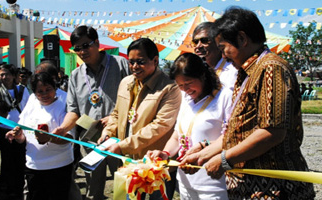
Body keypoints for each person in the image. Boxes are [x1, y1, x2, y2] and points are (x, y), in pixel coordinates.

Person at [180, 7, 315, 199]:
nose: (223, 56)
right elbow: (240, 130)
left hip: (275, 188)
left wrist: (225, 160)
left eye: (223, 48)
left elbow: (272, 132)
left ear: (242, 39)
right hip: (249, 187)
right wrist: (203, 152)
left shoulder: (271, 68)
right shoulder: (246, 73)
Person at [52, 25, 130, 200]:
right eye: (77, 48)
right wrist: (63, 129)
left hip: (120, 138)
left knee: (124, 189)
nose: (82, 51)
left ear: (97, 43)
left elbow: (136, 99)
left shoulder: (121, 65)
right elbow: (73, 111)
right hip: (90, 141)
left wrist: (115, 117)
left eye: (86, 45)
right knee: (92, 192)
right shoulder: (75, 75)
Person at [98, 38, 182, 199]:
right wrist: (107, 133)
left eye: (140, 62)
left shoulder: (170, 87)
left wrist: (123, 145)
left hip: (156, 166)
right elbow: (116, 114)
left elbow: (161, 125)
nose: (134, 66)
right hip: (129, 162)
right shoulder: (126, 82)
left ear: (155, 60)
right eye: (131, 62)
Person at [147, 53, 231, 199]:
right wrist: (166, 153)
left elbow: (231, 136)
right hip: (186, 183)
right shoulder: (186, 99)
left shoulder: (225, 97)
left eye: (188, 83)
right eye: (180, 85)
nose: (185, 89)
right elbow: (177, 136)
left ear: (202, 75)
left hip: (213, 184)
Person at [5, 72, 74, 200]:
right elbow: (23, 137)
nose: (44, 95)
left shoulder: (64, 106)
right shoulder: (32, 102)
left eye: (48, 90)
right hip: (34, 166)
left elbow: (69, 138)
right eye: (40, 91)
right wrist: (17, 135)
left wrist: (49, 138)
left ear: (55, 89)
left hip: (59, 166)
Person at [0, 63, 30, 199]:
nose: (4, 77)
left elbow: (28, 110)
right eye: (1, 74)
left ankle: (19, 186)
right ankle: (8, 186)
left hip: (21, 130)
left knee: (21, 159)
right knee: (6, 160)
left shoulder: (23, 90)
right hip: (4, 130)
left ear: (14, 76)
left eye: (7, 74)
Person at [192, 22, 237, 91]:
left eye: (204, 40)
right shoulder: (197, 73)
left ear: (217, 42)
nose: (198, 46)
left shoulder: (233, 69)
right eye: (195, 42)